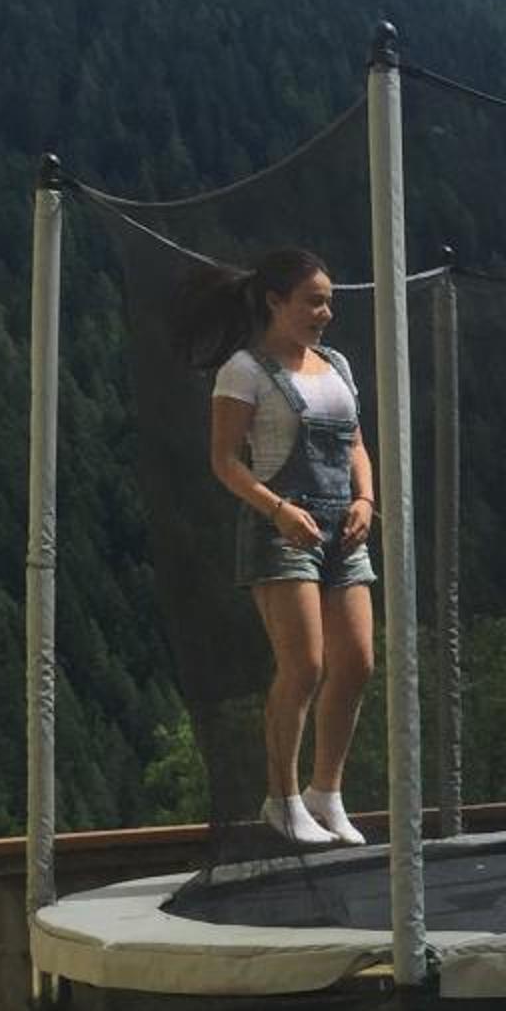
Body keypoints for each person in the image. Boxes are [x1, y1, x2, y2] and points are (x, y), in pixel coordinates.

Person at [196, 247, 376, 846]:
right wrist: (277, 509)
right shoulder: (244, 370)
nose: (326, 313)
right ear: (276, 302)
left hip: (342, 526)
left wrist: (366, 500)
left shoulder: (337, 365)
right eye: (313, 302)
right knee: (304, 666)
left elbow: (354, 444)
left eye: (329, 302)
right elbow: (224, 460)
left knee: (357, 663)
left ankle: (328, 792)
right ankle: (283, 798)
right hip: (282, 527)